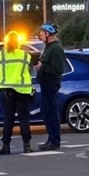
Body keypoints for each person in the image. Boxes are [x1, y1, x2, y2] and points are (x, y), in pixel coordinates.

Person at [0, 32, 33, 155]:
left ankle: (6, 146)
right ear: (18, 42)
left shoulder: (1, 55)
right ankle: (27, 145)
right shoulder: (25, 55)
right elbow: (29, 70)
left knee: (8, 118)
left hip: (6, 90)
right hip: (23, 90)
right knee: (24, 118)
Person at [35, 22, 66, 151]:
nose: (40, 35)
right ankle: (50, 138)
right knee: (45, 112)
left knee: (52, 112)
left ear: (48, 34)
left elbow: (58, 69)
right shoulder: (48, 47)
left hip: (50, 82)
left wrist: (42, 67)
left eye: (42, 33)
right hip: (44, 82)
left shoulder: (56, 48)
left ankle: (55, 140)